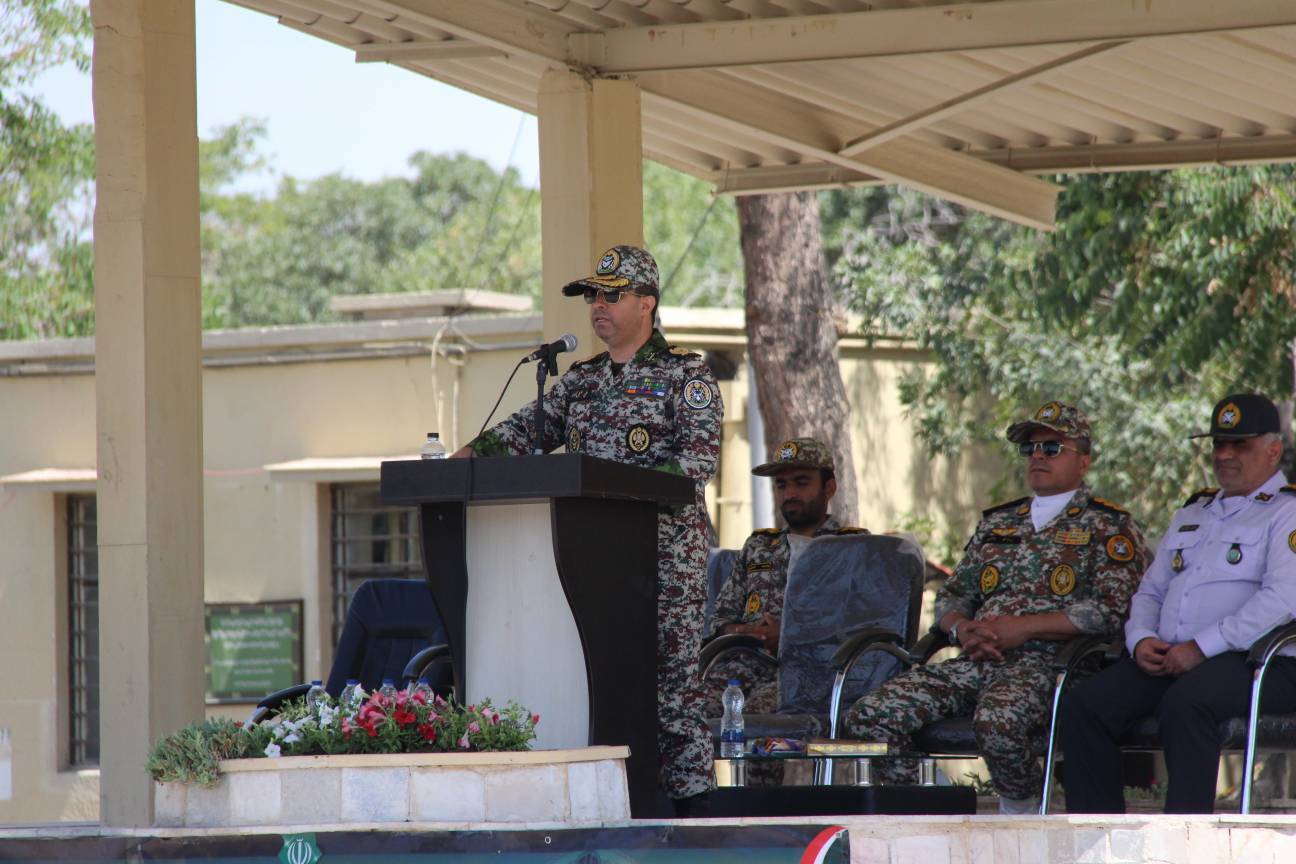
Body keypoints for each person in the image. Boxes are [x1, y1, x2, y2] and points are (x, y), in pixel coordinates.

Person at [454, 244, 723, 813]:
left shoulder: (686, 376)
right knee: (598, 684)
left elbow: (697, 465)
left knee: (673, 691)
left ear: (647, 303)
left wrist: (622, 497)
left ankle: (696, 818)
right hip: (590, 563)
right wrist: (466, 457)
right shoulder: (581, 381)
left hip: (663, 563)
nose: (597, 306)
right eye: (591, 296)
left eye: (612, 295)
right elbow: (523, 431)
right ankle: (609, 806)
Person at [841, 401, 1150, 813]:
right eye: (1030, 448)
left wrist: (1024, 628)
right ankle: (922, 812)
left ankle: (1021, 807)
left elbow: (1114, 611)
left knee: (997, 722)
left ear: (1084, 460)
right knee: (870, 716)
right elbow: (954, 595)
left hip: (1054, 666)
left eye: (1052, 447)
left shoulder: (1109, 526)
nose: (1037, 456)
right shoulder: (998, 523)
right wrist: (961, 630)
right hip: (977, 657)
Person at [1060, 393, 1296, 814]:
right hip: (1172, 657)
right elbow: (1151, 590)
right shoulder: (1194, 513)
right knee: (1085, 705)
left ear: (1272, 450)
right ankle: (1096, 839)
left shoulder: (1287, 513)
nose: (1223, 455)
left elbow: (1281, 599)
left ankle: (1185, 842)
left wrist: (1200, 647)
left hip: (1259, 661)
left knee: (1186, 705)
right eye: (1218, 444)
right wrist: (1141, 639)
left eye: (1238, 445)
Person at [704, 437, 863, 719]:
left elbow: (860, 626)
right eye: (781, 485)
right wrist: (749, 632)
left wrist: (789, 636)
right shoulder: (759, 546)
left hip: (818, 670)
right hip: (747, 663)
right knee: (686, 707)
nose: (789, 493)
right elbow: (720, 620)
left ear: (829, 487)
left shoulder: (853, 548)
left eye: (801, 483)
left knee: (754, 717)